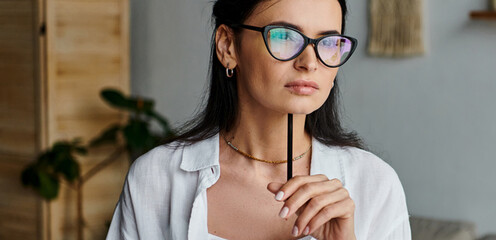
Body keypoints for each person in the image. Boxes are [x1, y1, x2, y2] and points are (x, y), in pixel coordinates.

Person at [106, 0, 411, 239]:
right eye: (284, 37)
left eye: (329, 43)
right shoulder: (156, 179)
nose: (309, 62)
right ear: (228, 46)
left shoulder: (375, 185)